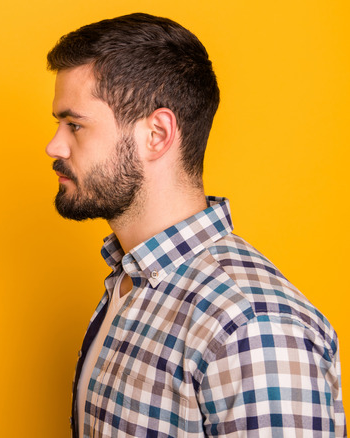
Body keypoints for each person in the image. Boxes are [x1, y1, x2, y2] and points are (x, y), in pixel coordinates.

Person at [45, 13, 344, 437]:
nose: (54, 145)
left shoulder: (251, 329)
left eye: (74, 125)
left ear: (157, 134)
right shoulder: (129, 285)